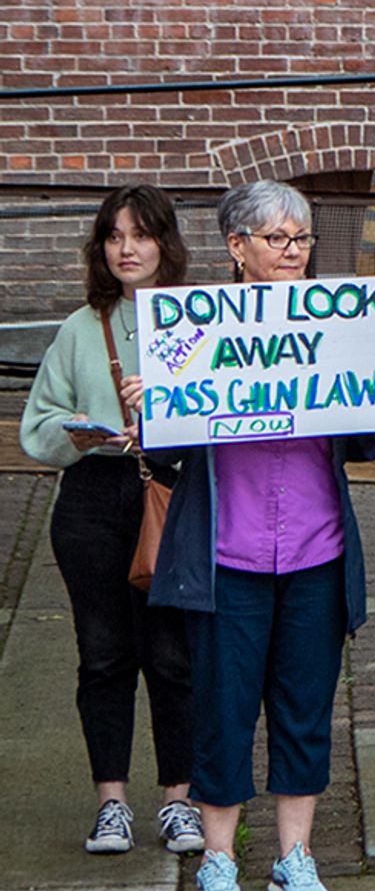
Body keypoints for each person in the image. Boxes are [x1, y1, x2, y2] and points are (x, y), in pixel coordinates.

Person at [146, 181, 375, 891]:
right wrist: (152, 408)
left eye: (301, 239)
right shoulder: (191, 330)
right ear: (237, 247)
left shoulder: (339, 323)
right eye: (277, 238)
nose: (294, 251)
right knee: (223, 711)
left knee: (303, 708)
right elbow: (166, 457)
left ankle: (296, 859)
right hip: (226, 558)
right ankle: (220, 863)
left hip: (314, 554)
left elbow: (364, 442)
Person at [22, 187, 198, 856]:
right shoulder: (77, 327)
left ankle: (178, 801)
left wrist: (164, 414)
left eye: (142, 235)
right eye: (115, 236)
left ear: (165, 244)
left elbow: (223, 419)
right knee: (102, 654)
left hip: (169, 491)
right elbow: (37, 427)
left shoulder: (195, 322)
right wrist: (80, 435)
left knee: (172, 654)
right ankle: (112, 802)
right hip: (94, 496)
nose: (127, 248)